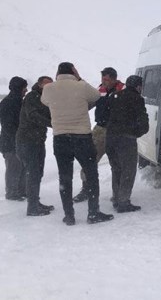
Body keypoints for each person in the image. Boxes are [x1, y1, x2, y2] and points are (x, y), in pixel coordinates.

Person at [41, 62, 114, 225]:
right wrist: (79, 78)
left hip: (60, 139)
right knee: (91, 175)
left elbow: (45, 101)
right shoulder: (81, 86)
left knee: (64, 178)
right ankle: (93, 213)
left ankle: (69, 215)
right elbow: (96, 95)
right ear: (73, 71)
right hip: (82, 138)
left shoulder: (49, 89)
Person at [73, 67, 124, 203]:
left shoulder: (122, 90)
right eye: (103, 79)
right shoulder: (100, 90)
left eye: (107, 79)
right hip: (100, 129)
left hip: (117, 131)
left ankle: (118, 194)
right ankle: (86, 190)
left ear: (114, 79)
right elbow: (89, 103)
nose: (104, 82)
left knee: (117, 163)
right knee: (89, 159)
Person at [106, 75, 149, 213]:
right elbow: (143, 122)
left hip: (110, 138)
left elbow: (104, 115)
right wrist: (137, 133)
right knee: (128, 170)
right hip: (126, 140)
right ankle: (123, 202)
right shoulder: (137, 99)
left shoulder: (115, 96)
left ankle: (116, 198)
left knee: (116, 168)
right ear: (138, 86)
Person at [16, 76, 55, 216]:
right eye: (46, 84)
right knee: (33, 173)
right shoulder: (33, 97)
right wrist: (53, 123)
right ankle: (32, 207)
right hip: (27, 142)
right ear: (39, 84)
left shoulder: (46, 98)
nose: (49, 87)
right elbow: (33, 115)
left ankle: (35, 202)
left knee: (38, 173)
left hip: (37, 141)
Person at [0, 76, 28, 201]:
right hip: (12, 142)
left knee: (20, 166)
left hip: (13, 141)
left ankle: (20, 190)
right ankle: (12, 192)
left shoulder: (11, 101)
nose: (26, 90)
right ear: (19, 88)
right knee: (14, 167)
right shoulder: (12, 102)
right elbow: (9, 125)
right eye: (24, 88)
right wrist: (18, 139)